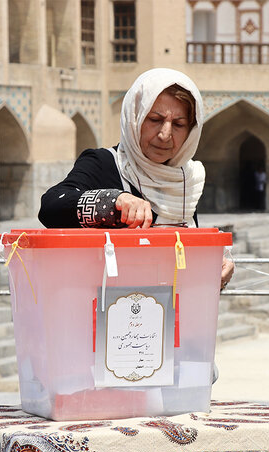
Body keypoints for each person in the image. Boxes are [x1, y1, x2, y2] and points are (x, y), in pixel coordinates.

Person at [38, 68, 234, 288]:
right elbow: (51, 207)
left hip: (169, 313)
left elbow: (178, 252)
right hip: (107, 311)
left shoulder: (186, 179)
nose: (165, 134)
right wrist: (112, 201)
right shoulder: (104, 163)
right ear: (134, 118)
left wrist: (212, 265)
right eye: (155, 119)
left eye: (178, 124)